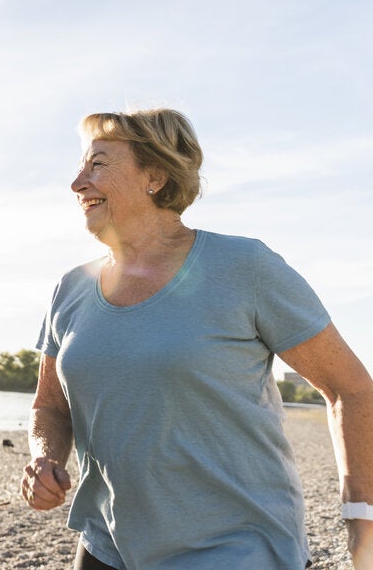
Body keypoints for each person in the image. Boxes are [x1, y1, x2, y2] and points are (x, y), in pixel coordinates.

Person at [21, 108, 373, 570]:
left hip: (237, 549)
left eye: (98, 164)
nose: (77, 183)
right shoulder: (71, 288)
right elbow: (49, 405)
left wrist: (361, 526)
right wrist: (45, 459)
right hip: (107, 546)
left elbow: (350, 389)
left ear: (156, 175)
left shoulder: (245, 266)